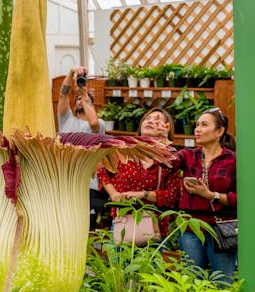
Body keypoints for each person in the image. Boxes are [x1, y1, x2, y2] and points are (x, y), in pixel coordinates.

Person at [98, 108, 181, 240]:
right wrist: (113, 192)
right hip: (123, 220)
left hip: (153, 226)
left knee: (149, 260)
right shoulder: (124, 149)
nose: (150, 121)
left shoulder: (169, 159)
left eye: (157, 120)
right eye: (147, 118)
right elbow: (103, 171)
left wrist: (143, 194)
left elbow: (172, 195)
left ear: (166, 128)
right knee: (120, 259)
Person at [175, 107, 237, 283]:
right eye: (196, 125)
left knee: (222, 283)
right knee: (191, 283)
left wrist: (211, 195)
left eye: (204, 125)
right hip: (191, 229)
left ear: (219, 131)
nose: (197, 129)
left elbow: (242, 198)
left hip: (222, 231)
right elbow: (169, 162)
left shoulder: (233, 160)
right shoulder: (187, 156)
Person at [57, 66, 106, 229]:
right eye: (77, 99)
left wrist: (84, 92)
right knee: (64, 226)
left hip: (89, 185)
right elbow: (63, 94)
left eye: (84, 100)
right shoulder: (66, 119)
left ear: (91, 106)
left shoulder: (100, 124)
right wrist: (71, 72)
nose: (80, 100)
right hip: (64, 182)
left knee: (87, 228)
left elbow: (93, 124)